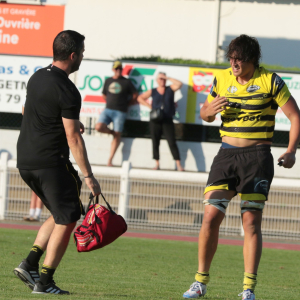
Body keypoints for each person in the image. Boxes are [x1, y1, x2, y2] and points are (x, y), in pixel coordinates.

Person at [183, 34, 300, 299]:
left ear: (253, 59)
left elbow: (295, 117)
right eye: (231, 58)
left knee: (250, 223)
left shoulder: (270, 81)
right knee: (211, 217)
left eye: (239, 59)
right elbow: (205, 114)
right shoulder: (222, 79)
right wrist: (209, 110)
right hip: (226, 156)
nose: (234, 63)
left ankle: (248, 289)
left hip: (257, 157)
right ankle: (200, 282)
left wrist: (291, 151)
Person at [14, 30, 101, 295]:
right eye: (82, 54)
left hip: (26, 161)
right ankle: (45, 281)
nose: (82, 58)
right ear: (73, 55)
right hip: (51, 162)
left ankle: (29, 263)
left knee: (62, 211)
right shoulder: (68, 89)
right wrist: (89, 176)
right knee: (68, 218)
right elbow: (73, 138)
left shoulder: (37, 77)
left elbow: (31, 112)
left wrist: (69, 124)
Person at [137, 72, 184, 171]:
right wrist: (150, 106)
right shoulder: (153, 91)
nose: (162, 80)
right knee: (155, 141)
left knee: (172, 142)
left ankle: (178, 164)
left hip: (167, 119)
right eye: (160, 78)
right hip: (155, 119)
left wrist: (167, 77)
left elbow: (179, 84)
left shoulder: (170, 89)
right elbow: (140, 98)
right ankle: (157, 163)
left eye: (163, 79)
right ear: (157, 80)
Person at [95, 61, 138, 166]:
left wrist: (129, 103)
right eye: (116, 68)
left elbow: (135, 94)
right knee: (98, 127)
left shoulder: (126, 82)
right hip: (108, 109)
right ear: (113, 69)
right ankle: (111, 132)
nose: (118, 70)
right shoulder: (108, 80)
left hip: (120, 111)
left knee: (118, 134)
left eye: (120, 68)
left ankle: (110, 159)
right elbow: (104, 94)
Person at [21, 103, 44, 222]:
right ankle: (32, 213)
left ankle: (37, 214)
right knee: (34, 188)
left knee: (40, 189)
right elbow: (24, 111)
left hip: (42, 159)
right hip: (34, 158)